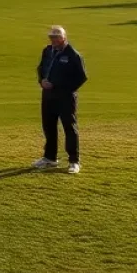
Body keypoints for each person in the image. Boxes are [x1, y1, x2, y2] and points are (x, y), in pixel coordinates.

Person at [33, 25, 87, 174]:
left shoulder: (72, 55)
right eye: (51, 37)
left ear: (63, 38)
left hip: (65, 97)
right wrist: (42, 81)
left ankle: (74, 161)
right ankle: (50, 158)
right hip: (48, 95)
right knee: (49, 127)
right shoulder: (47, 51)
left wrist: (61, 87)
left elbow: (81, 77)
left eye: (56, 37)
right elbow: (41, 68)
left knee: (69, 128)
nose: (53, 40)